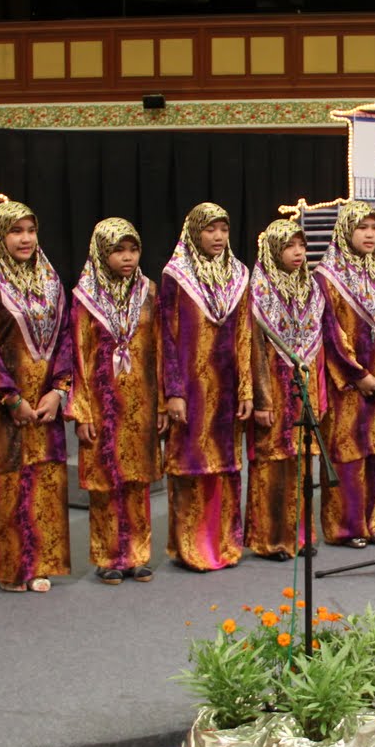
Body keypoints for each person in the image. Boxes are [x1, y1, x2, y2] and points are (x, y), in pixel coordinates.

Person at [0, 200, 74, 593]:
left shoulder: (49, 277)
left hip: (45, 402)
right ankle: (14, 568)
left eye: (30, 230)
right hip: (6, 407)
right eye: (16, 231)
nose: (26, 238)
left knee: (45, 478)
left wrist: (58, 390)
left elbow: (65, 336)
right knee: (10, 482)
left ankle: (42, 562)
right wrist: (10, 398)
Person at [160, 202, 252, 571]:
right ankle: (192, 546)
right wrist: (174, 391)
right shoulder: (176, 275)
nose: (217, 237)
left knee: (226, 466)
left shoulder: (239, 274)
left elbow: (245, 334)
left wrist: (246, 389)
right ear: (194, 232)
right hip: (191, 388)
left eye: (223, 229)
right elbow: (166, 337)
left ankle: (225, 544)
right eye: (209, 229)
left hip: (227, 389)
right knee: (191, 464)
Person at [70, 218, 162, 584]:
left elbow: (158, 350)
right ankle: (108, 555)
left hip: (140, 399)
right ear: (101, 252)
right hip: (102, 400)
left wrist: (161, 403)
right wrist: (81, 410)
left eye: (133, 249)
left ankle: (138, 554)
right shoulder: (85, 295)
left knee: (137, 481)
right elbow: (77, 355)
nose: (127, 258)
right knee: (107, 481)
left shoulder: (149, 291)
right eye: (118, 250)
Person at [246, 217, 326, 559]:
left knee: (302, 463)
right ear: (273, 250)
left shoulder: (312, 289)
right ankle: (271, 539)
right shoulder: (258, 290)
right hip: (273, 391)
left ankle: (302, 536)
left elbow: (319, 347)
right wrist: (262, 399)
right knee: (272, 464)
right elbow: (254, 352)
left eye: (301, 246)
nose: (297, 253)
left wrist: (318, 393)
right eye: (289, 246)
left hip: (303, 389)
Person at [316, 202, 375, 548]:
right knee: (347, 452)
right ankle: (345, 527)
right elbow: (330, 333)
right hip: (346, 383)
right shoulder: (325, 276)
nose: (370, 234)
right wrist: (358, 374)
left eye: (374, 227)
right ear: (346, 230)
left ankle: (372, 521)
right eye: (362, 227)